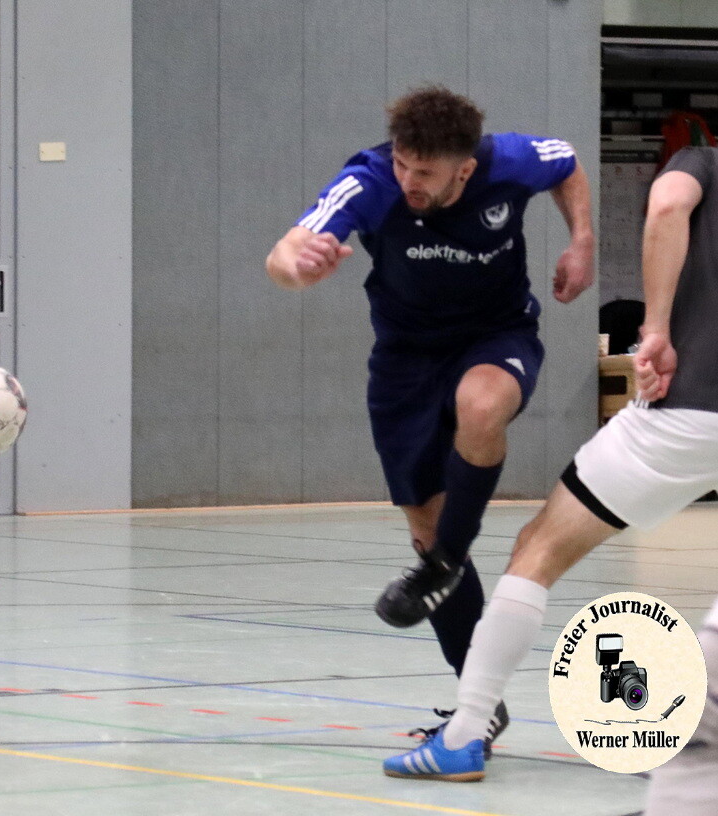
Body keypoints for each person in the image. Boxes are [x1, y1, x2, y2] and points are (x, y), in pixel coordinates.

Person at [382, 145, 718, 800]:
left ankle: (464, 735)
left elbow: (668, 205)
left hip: (686, 412)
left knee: (537, 550)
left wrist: (654, 329)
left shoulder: (701, 162)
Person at [266, 85, 594, 752]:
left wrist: (582, 240)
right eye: (403, 164)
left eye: (425, 172)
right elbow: (286, 253)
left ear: (464, 169)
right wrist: (299, 268)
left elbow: (565, 161)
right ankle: (479, 703)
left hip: (496, 335)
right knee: (425, 528)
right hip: (405, 362)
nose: (408, 180)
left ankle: (444, 560)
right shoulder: (369, 181)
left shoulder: (509, 161)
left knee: (480, 405)